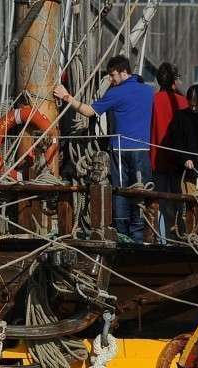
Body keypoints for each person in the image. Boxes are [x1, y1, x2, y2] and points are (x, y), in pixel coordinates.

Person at [54, 55, 155, 243]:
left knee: (121, 191)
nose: (111, 79)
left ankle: (123, 235)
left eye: (113, 75)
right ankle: (141, 237)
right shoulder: (149, 92)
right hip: (143, 149)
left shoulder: (115, 93)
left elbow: (87, 111)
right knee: (141, 193)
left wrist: (66, 97)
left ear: (124, 72)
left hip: (120, 149)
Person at [150, 63, 188, 239]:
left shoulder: (153, 101)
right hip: (179, 162)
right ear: (174, 82)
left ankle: (162, 238)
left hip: (157, 159)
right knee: (180, 202)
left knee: (160, 203)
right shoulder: (184, 102)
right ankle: (180, 236)